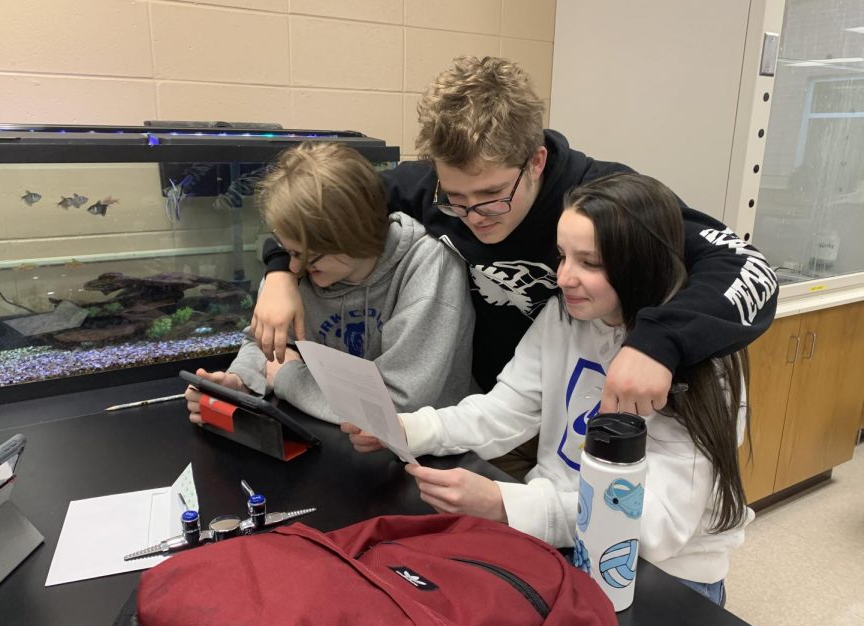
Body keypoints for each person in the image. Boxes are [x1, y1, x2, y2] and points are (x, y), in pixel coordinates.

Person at [253, 56, 777, 477]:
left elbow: (745, 264)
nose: (471, 216)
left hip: (578, 418)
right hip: (490, 414)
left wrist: (660, 342)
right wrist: (280, 270)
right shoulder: (427, 186)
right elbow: (320, 213)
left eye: (491, 197)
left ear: (536, 162)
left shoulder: (597, 202)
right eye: (454, 199)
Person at [351, 173, 753, 605]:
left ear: (643, 263)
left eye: (590, 263)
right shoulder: (565, 315)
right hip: (559, 537)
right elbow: (504, 410)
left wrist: (507, 504)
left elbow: (657, 524)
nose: (563, 278)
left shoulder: (704, 361)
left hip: (662, 572)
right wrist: (409, 428)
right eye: (561, 256)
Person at [185, 142, 475, 425]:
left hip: (428, 452)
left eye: (307, 257)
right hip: (329, 434)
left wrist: (288, 377)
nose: (294, 267)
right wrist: (241, 383)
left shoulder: (428, 266)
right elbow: (265, 345)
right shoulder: (291, 272)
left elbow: (397, 406)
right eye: (289, 252)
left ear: (352, 239)